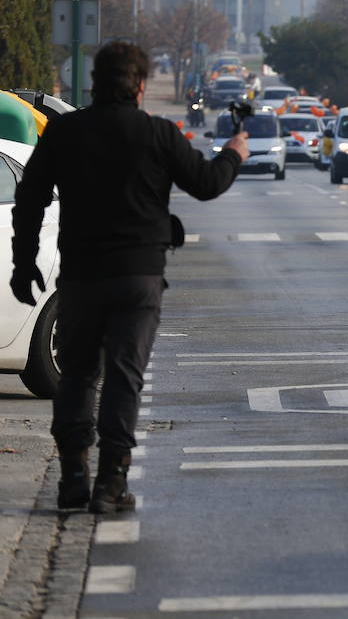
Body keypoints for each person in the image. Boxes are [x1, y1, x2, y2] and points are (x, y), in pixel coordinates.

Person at [10, 42, 248, 514]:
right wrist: (233, 154)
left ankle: (74, 477)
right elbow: (206, 184)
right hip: (139, 276)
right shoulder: (158, 133)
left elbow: (30, 200)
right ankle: (111, 482)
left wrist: (25, 264)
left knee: (78, 374)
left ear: (95, 82)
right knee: (124, 376)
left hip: (80, 276)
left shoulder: (64, 133)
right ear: (140, 86)